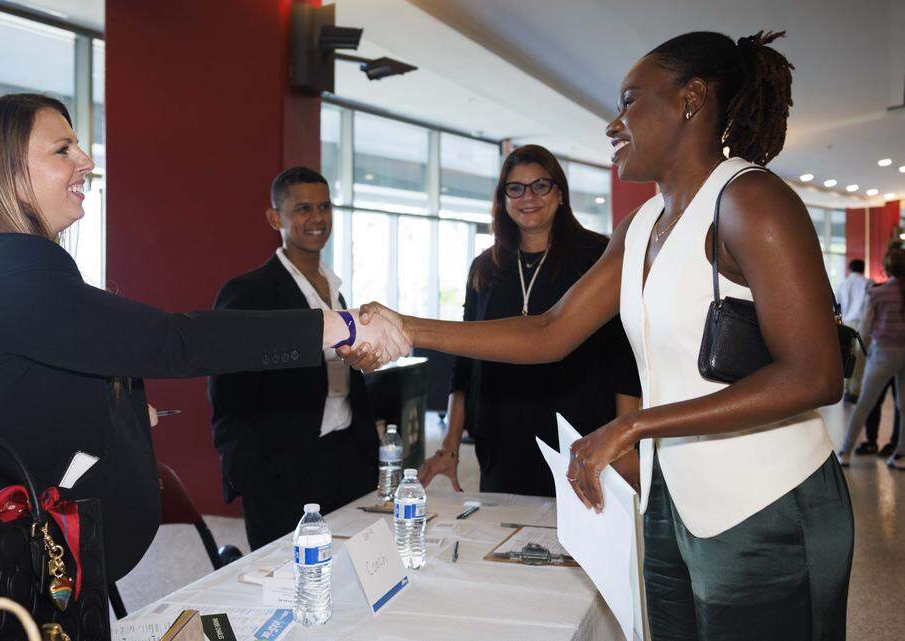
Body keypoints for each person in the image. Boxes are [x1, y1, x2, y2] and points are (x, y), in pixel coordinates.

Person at [345, 31, 852, 640]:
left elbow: (816, 374)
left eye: (630, 101)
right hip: (674, 499)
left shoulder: (752, 201)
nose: (614, 124)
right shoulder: (641, 225)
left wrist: (635, 424)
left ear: (691, 98)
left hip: (769, 502)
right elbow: (549, 330)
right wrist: (406, 327)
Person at [0, 94, 408, 582]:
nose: (86, 160)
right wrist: (339, 326)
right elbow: (171, 341)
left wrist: (118, 410)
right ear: (6, 171)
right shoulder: (8, 267)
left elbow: (15, 396)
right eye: (63, 149)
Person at [418, 145, 641, 496]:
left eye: (541, 185)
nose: (528, 197)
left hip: (580, 437)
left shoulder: (598, 257)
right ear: (503, 198)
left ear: (560, 193)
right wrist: (449, 447)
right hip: (500, 438)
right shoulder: (485, 268)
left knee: (574, 547)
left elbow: (625, 356)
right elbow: (464, 366)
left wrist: (626, 444)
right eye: (516, 188)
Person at [209, 167, 379, 550]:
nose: (317, 219)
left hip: (348, 459)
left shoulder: (334, 289)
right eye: (303, 208)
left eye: (324, 207)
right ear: (276, 218)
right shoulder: (247, 294)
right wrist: (248, 475)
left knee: (354, 571)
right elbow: (228, 397)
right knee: (287, 582)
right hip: (282, 470)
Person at [838, 247, 905, 469]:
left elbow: (866, 328)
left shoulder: (878, 293)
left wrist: (864, 351)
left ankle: (845, 452)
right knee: (902, 406)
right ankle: (901, 455)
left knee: (864, 403)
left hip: (883, 352)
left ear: (886, 268)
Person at [836, 259, 870, 405]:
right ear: (863, 269)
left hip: (847, 324)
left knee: (846, 356)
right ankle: (854, 391)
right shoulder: (868, 283)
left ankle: (843, 388)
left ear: (850, 269)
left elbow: (837, 305)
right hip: (863, 323)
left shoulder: (843, 284)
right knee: (860, 358)